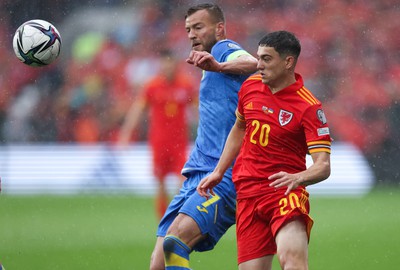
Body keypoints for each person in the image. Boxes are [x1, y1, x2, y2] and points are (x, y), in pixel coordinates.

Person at [197, 31, 332, 270]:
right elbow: (239, 128)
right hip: (247, 192)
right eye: (258, 57)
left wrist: (298, 178)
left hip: (284, 191)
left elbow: (323, 165)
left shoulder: (308, 107)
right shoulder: (250, 86)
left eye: (266, 59)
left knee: (292, 261)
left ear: (288, 62)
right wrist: (219, 171)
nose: (258, 65)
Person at [149, 3, 258, 270]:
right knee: (158, 263)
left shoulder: (223, 49)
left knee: (175, 244)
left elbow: (255, 64)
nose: (191, 34)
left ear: (219, 28)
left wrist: (219, 65)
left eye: (198, 27)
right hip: (195, 174)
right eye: (188, 29)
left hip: (222, 175)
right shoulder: (208, 62)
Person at [118, 49, 197, 220]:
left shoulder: (186, 84)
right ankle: (163, 219)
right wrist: (126, 133)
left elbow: (198, 109)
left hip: (179, 143)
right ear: (161, 64)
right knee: (160, 181)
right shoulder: (152, 86)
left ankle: (178, 215)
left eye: (170, 62)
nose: (167, 66)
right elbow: (138, 109)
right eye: (165, 62)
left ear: (175, 64)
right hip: (159, 142)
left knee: (181, 179)